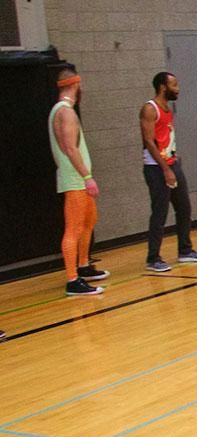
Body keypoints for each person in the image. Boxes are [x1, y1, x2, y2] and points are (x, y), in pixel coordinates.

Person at [48, 68, 108, 296]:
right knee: (73, 228)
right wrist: (87, 177)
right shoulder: (66, 113)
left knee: (89, 220)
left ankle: (83, 265)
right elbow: (70, 149)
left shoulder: (61, 111)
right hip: (75, 179)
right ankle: (73, 280)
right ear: (75, 85)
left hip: (76, 178)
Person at [140, 72, 197, 272]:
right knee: (160, 213)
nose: (178, 88)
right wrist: (165, 168)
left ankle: (185, 251)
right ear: (163, 87)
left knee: (184, 208)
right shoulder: (149, 109)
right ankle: (153, 258)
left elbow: (164, 139)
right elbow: (149, 141)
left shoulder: (167, 109)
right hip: (156, 168)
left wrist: (173, 159)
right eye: (174, 85)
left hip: (171, 163)